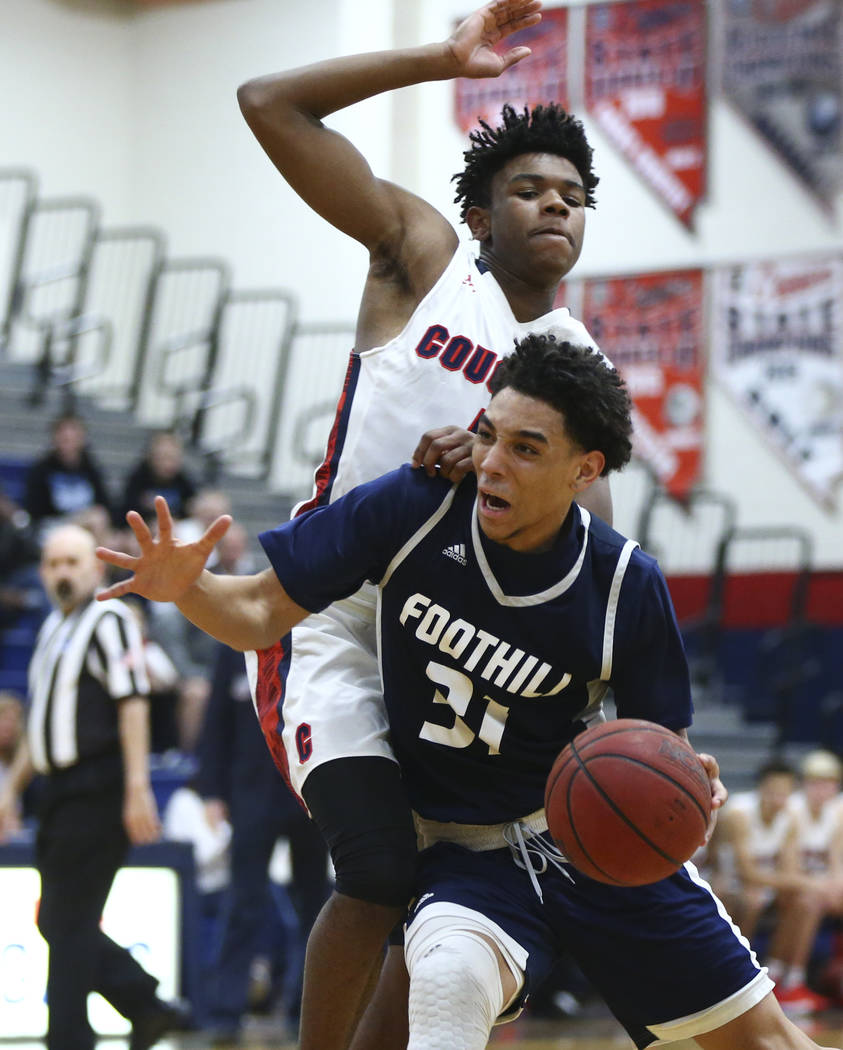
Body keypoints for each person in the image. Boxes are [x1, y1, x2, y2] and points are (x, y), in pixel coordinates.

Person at [96, 334, 833, 1050]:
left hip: (586, 838)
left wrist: (687, 777)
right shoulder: (413, 508)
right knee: (446, 979)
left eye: (525, 448)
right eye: (487, 434)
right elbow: (258, 611)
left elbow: (657, 746)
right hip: (464, 856)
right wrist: (187, 590)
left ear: (585, 470)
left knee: (764, 1042)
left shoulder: (624, 586)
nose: (490, 464)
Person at [235, 3, 610, 1044]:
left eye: (574, 196)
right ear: (481, 215)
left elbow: (600, 561)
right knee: (378, 868)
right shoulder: (426, 258)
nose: (555, 206)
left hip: (465, 647)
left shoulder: (581, 371)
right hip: (334, 616)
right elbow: (269, 104)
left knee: (443, 902)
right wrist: (439, 61)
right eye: (529, 189)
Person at [0, 523, 188, 1050]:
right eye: (54, 564)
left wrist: (136, 786)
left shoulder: (110, 618)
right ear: (41, 573)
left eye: (72, 563)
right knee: (56, 918)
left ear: (96, 567)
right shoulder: (53, 629)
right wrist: (11, 790)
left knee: (67, 919)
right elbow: (40, 725)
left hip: (98, 786)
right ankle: (145, 1005)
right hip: (59, 793)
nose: (62, 573)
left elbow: (132, 703)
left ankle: (68, 1038)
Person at [195, 642, 331, 1042]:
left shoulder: (317, 633)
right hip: (251, 794)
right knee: (243, 903)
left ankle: (306, 1012)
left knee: (317, 905)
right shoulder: (234, 641)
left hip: (311, 789)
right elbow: (216, 721)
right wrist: (212, 792)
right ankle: (225, 1014)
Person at [765, 749, 843, 1015]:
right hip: (781, 885)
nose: (822, 790)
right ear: (804, 785)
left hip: (816, 888)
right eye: (816, 783)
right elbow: (788, 871)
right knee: (807, 902)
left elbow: (836, 861)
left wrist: (834, 884)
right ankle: (787, 980)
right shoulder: (793, 811)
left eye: (829, 783)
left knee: (818, 897)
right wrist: (823, 887)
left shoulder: (836, 811)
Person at [706, 759, 801, 941]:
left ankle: (782, 966)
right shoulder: (739, 813)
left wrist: (798, 884)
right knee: (748, 900)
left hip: (758, 883)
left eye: (785, 791)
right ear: (762, 787)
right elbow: (747, 873)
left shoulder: (790, 818)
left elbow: (790, 870)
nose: (779, 796)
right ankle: (734, 962)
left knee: (800, 900)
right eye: (775, 790)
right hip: (720, 877)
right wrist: (809, 883)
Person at [23, 413, 113, 533]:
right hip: (52, 526)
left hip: (86, 525)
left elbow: (104, 504)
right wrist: (75, 519)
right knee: (96, 519)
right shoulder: (42, 470)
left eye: (74, 436)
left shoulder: (91, 469)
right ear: (55, 438)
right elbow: (35, 512)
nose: (69, 440)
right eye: (64, 437)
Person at [120, 429, 198, 525]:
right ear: (151, 458)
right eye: (162, 458)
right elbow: (126, 510)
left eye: (172, 459)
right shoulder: (138, 478)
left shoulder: (184, 481)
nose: (167, 465)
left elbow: (190, 509)